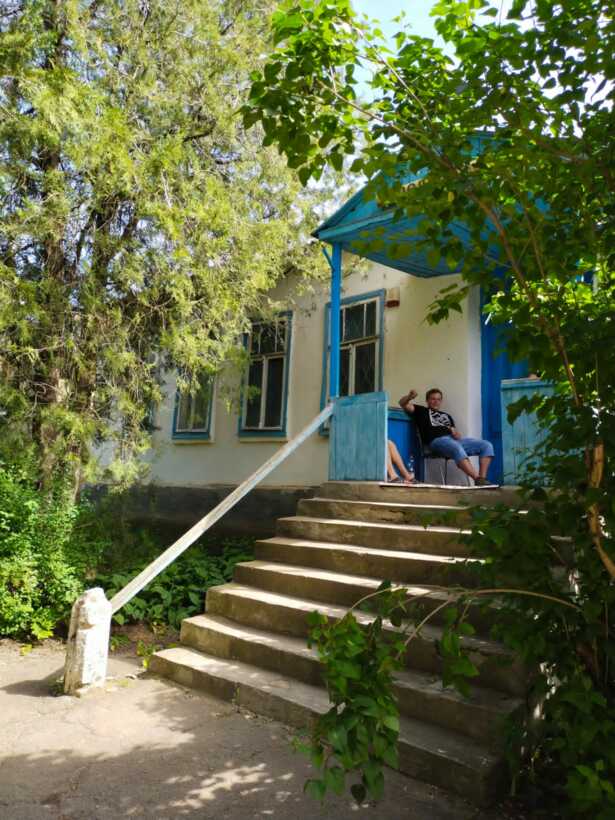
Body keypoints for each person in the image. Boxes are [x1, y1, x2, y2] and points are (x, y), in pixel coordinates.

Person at [399, 388, 495, 486]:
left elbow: (456, 435)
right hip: (436, 441)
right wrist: (409, 397)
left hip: (452, 440)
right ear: (427, 400)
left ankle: (482, 479)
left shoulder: (447, 416)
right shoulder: (421, 410)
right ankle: (477, 479)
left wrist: (456, 433)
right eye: (433, 399)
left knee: (486, 445)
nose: (436, 402)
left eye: (438, 399)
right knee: (456, 447)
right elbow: (402, 403)